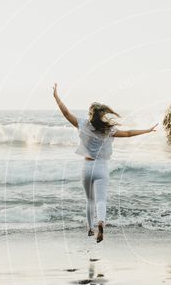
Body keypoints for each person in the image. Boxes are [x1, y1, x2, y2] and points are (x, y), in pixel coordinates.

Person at [52, 84, 157, 243]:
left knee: (90, 200)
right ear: (102, 116)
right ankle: (101, 222)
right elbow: (128, 134)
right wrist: (147, 130)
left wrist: (56, 97)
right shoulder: (109, 130)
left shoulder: (82, 124)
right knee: (101, 200)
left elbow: (66, 113)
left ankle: (89, 228)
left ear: (90, 115)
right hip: (101, 168)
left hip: (87, 168)